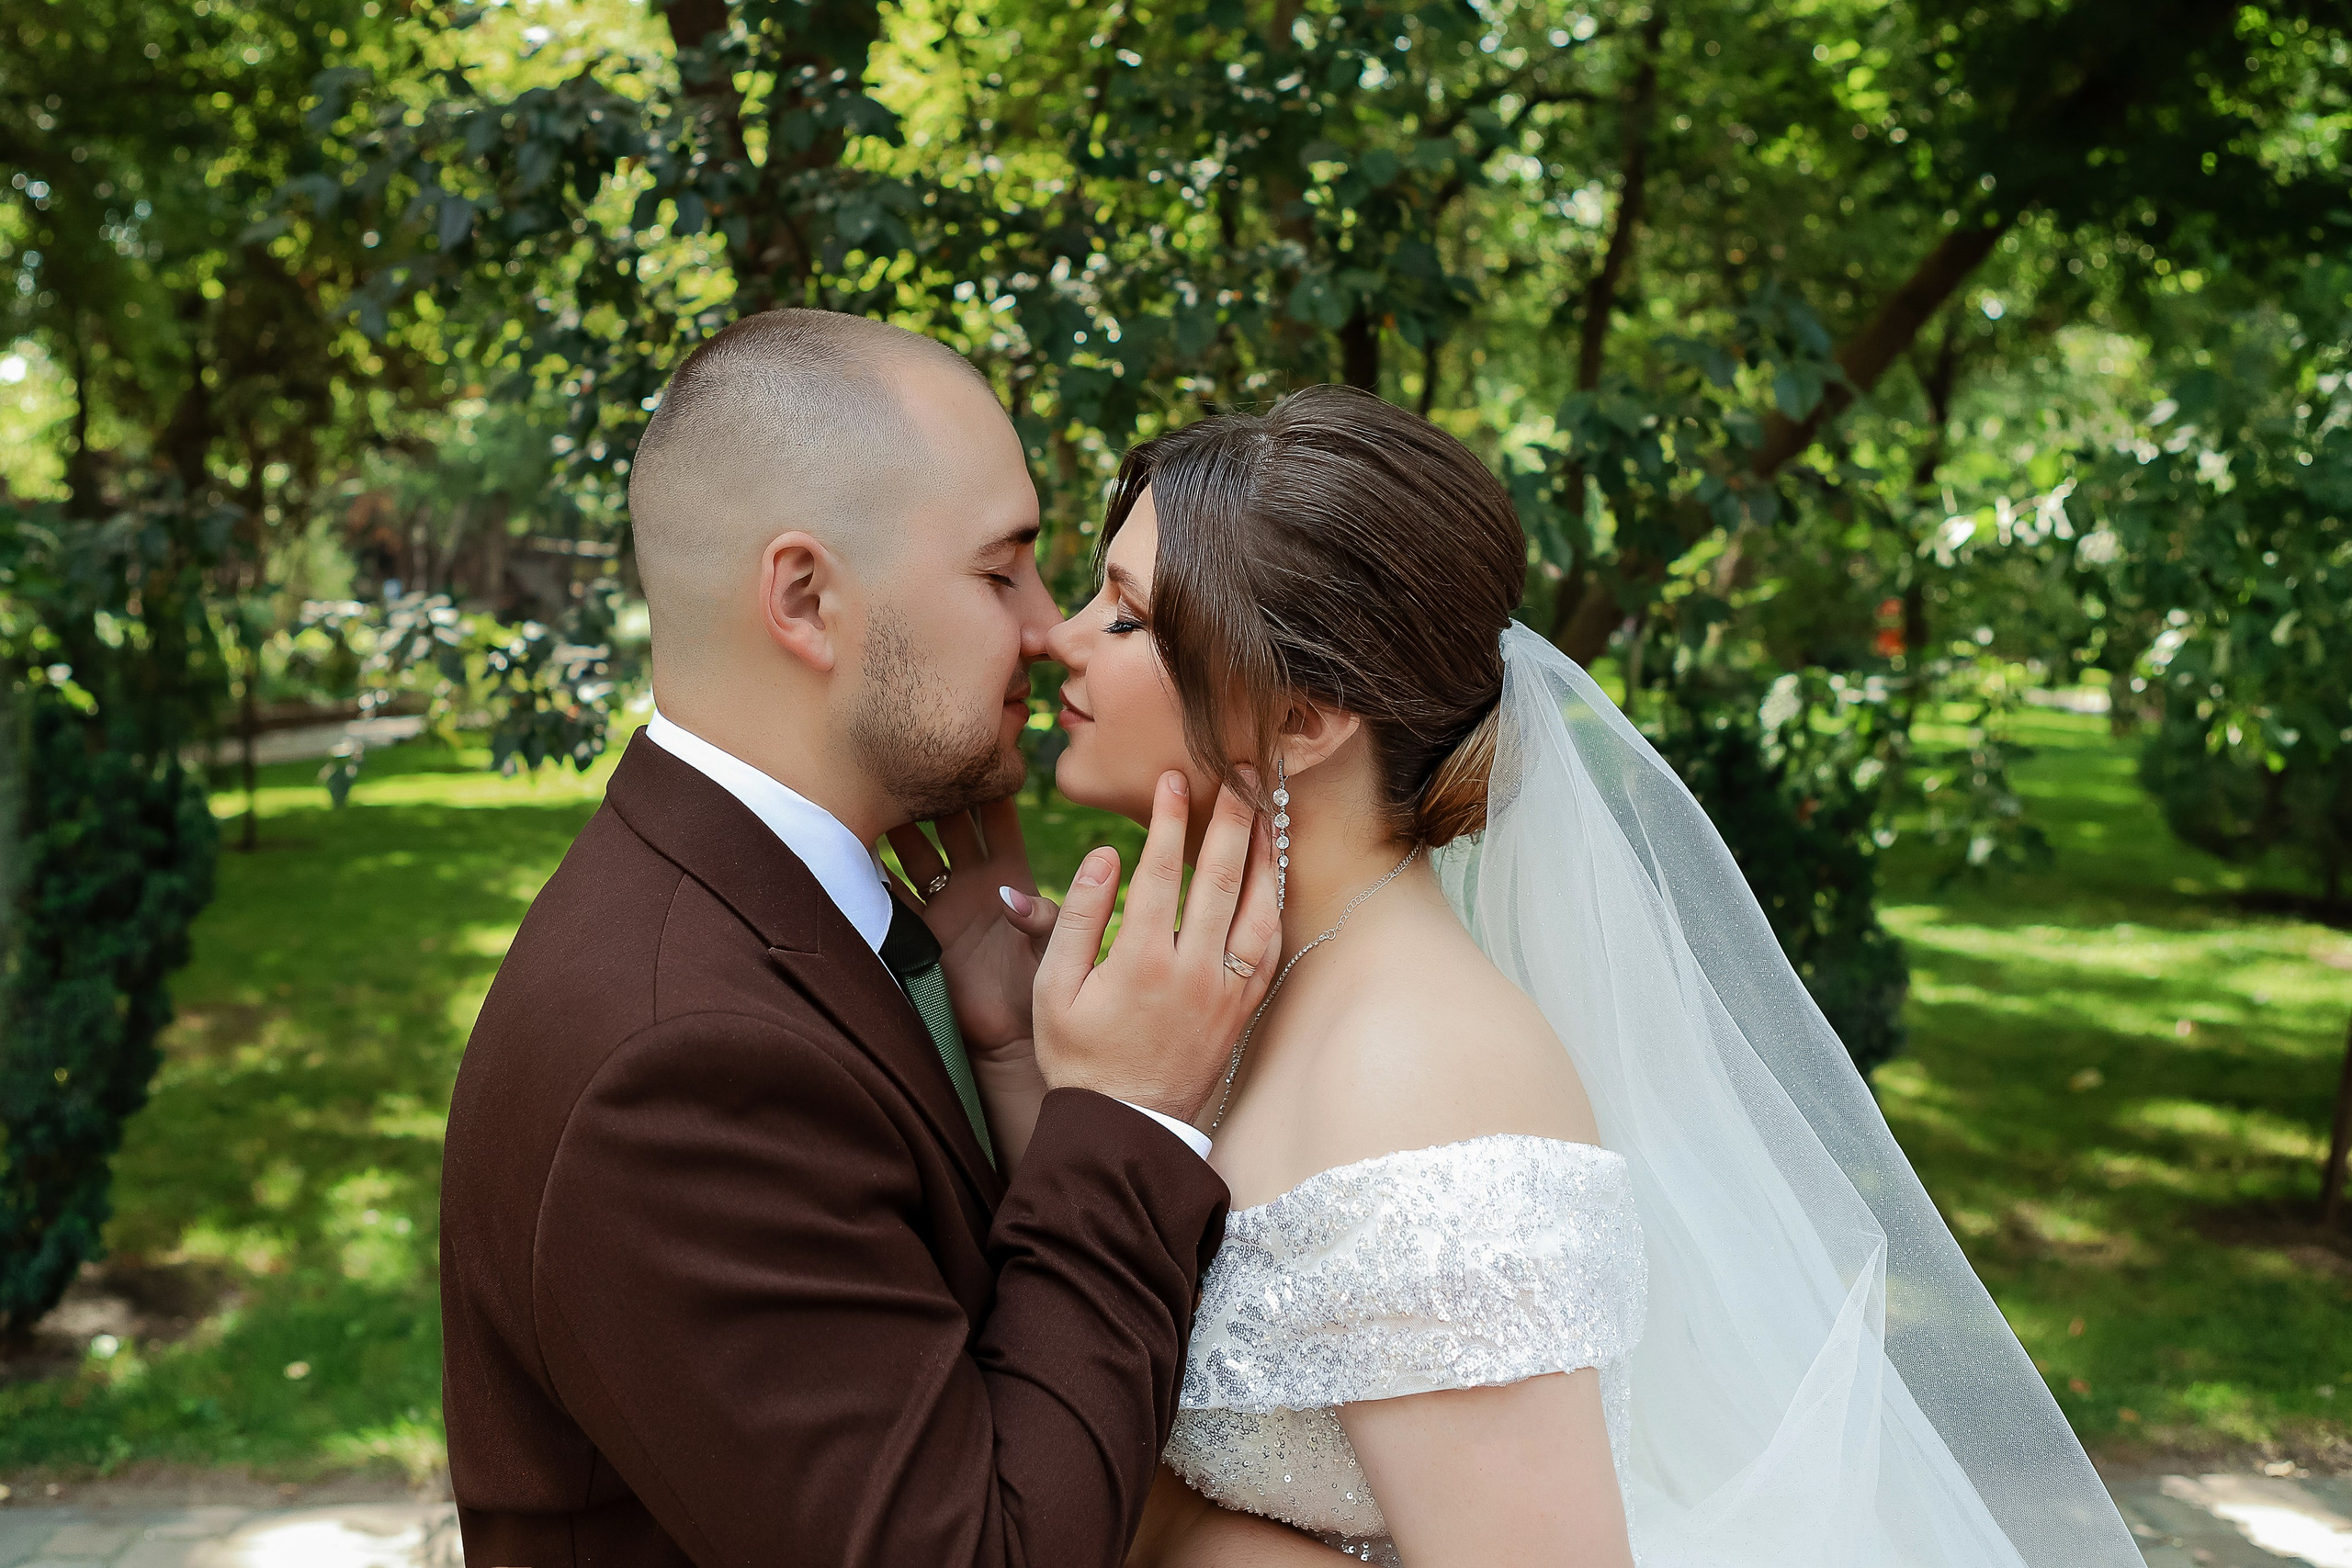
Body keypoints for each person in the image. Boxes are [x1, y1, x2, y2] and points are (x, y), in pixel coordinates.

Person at [1038, 385, 2145, 1567]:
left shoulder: (1418, 1070)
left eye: (1123, 616)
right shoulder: (1242, 992)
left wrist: (1165, 1531)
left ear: (1303, 721)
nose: (1055, 635)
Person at [437, 309, 1284, 1567]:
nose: (1050, 627)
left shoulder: (778, 916)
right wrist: (1131, 1120)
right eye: (1003, 569)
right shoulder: (678, 1061)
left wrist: (1008, 1060)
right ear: (805, 598)